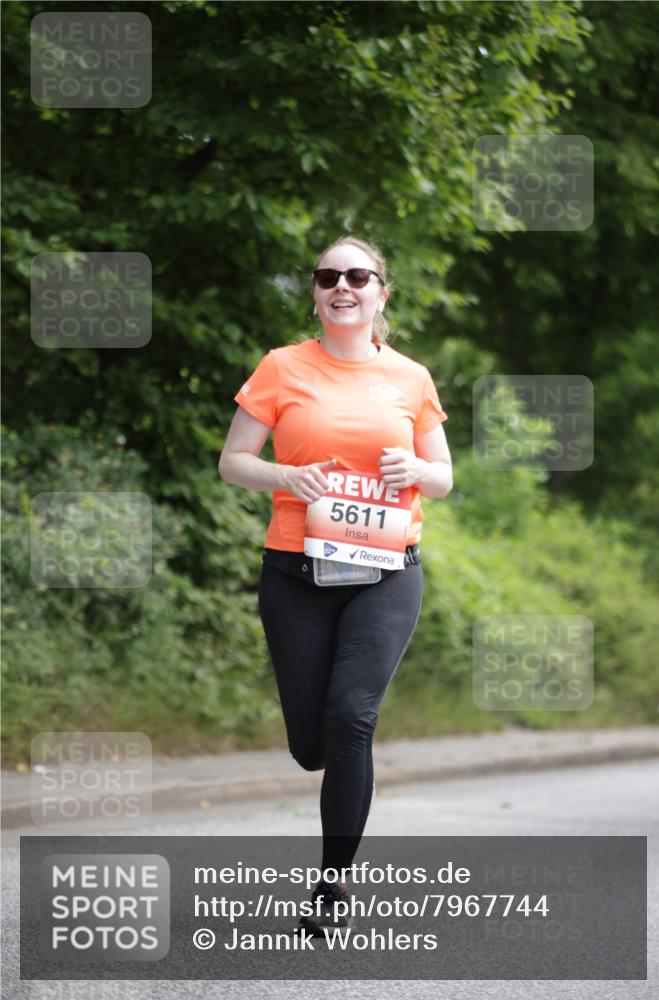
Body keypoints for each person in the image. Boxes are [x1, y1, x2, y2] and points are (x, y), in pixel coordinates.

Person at [219, 234, 452, 937]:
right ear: (316, 294)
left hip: (384, 573)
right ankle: (317, 755)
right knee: (311, 744)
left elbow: (442, 477)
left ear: (382, 292)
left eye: (357, 275)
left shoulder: (410, 378)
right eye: (328, 277)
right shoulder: (281, 367)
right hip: (295, 569)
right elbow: (233, 461)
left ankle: (330, 888)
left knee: (352, 718)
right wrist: (285, 477)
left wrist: (414, 473)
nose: (341, 286)